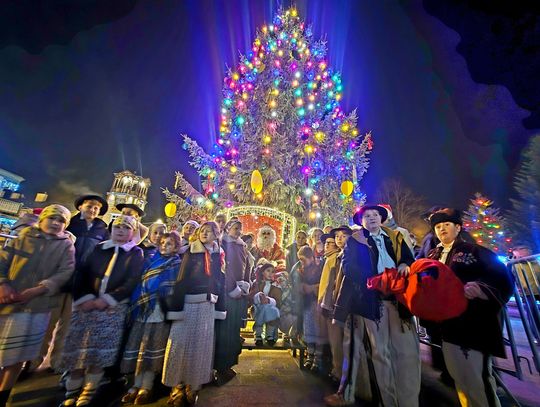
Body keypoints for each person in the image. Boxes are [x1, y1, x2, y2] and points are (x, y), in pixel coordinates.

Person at [330, 205, 419, 407]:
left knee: (405, 353)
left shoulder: (395, 237)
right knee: (381, 353)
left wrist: (404, 264)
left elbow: (408, 258)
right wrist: (372, 280)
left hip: (398, 300)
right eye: (367, 216)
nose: (372, 218)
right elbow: (348, 268)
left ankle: (408, 401)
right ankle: (388, 401)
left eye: (375, 215)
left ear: (381, 218)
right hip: (372, 301)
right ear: (361, 221)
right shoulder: (355, 241)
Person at [428, 208, 514, 407]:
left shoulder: (475, 251)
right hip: (447, 327)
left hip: (473, 325)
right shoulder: (432, 256)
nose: (442, 229)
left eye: (447, 225)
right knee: (459, 379)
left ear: (458, 228)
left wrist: (482, 289)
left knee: (478, 381)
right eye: (438, 226)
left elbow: (503, 277)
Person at [59, 215, 144, 407]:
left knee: (99, 350)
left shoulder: (135, 252)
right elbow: (82, 273)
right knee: (78, 348)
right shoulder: (99, 248)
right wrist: (85, 298)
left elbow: (132, 280)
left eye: (126, 227)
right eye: (118, 226)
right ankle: (72, 390)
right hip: (86, 305)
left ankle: (88, 390)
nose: (121, 230)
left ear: (133, 232)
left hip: (112, 307)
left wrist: (107, 299)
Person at [0, 205, 75, 406]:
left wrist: (41, 288)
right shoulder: (24, 237)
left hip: (38, 305)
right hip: (7, 302)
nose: (55, 223)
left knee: (17, 355)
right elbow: (3, 260)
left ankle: (4, 394)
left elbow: (65, 272)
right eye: (52, 218)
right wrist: (3, 284)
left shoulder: (66, 245)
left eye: (61, 221)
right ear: (42, 219)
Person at [162, 222, 225, 406]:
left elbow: (220, 280)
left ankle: (194, 384)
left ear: (216, 234)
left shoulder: (218, 254)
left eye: (209, 231)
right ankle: (177, 385)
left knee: (201, 345)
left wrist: (220, 305)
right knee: (180, 343)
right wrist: (176, 307)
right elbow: (181, 279)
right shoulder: (191, 251)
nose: (205, 234)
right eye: (202, 231)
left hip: (207, 304)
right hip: (188, 302)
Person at [120, 232, 182, 405]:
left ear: (176, 247)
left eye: (169, 244)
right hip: (144, 309)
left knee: (152, 349)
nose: (165, 246)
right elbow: (141, 282)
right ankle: (134, 386)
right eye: (162, 243)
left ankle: (146, 387)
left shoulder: (176, 264)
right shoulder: (150, 260)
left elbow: (174, 287)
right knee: (139, 346)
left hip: (160, 310)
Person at [214, 219, 251, 386]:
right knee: (225, 331)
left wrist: (246, 284)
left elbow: (247, 267)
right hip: (227, 293)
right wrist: (232, 287)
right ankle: (221, 366)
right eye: (235, 228)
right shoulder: (222, 244)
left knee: (234, 329)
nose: (238, 231)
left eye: (240, 229)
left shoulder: (242, 246)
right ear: (228, 229)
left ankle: (229, 364)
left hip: (240, 292)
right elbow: (224, 269)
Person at [298, 246, 327, 372]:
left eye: (303, 259)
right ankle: (309, 356)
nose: (301, 262)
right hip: (307, 304)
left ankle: (317, 358)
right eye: (300, 260)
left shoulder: (319, 268)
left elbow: (322, 284)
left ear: (310, 257)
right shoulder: (301, 270)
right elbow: (299, 286)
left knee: (319, 331)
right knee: (309, 330)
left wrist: (312, 288)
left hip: (318, 303)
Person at [317, 232, 342, 383]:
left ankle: (337, 372)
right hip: (326, 303)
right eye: (325, 243)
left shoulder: (334, 259)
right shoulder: (328, 258)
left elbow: (331, 284)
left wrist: (324, 301)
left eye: (329, 243)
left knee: (335, 340)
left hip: (330, 305)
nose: (326, 245)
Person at [249, 262, 282, 346]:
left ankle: (269, 335)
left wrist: (269, 300)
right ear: (262, 272)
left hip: (271, 308)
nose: (270, 273)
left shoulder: (276, 285)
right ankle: (258, 335)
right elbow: (251, 296)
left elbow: (278, 299)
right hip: (258, 308)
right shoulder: (256, 283)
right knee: (262, 311)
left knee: (272, 311)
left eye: (273, 272)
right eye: (268, 271)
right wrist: (258, 296)